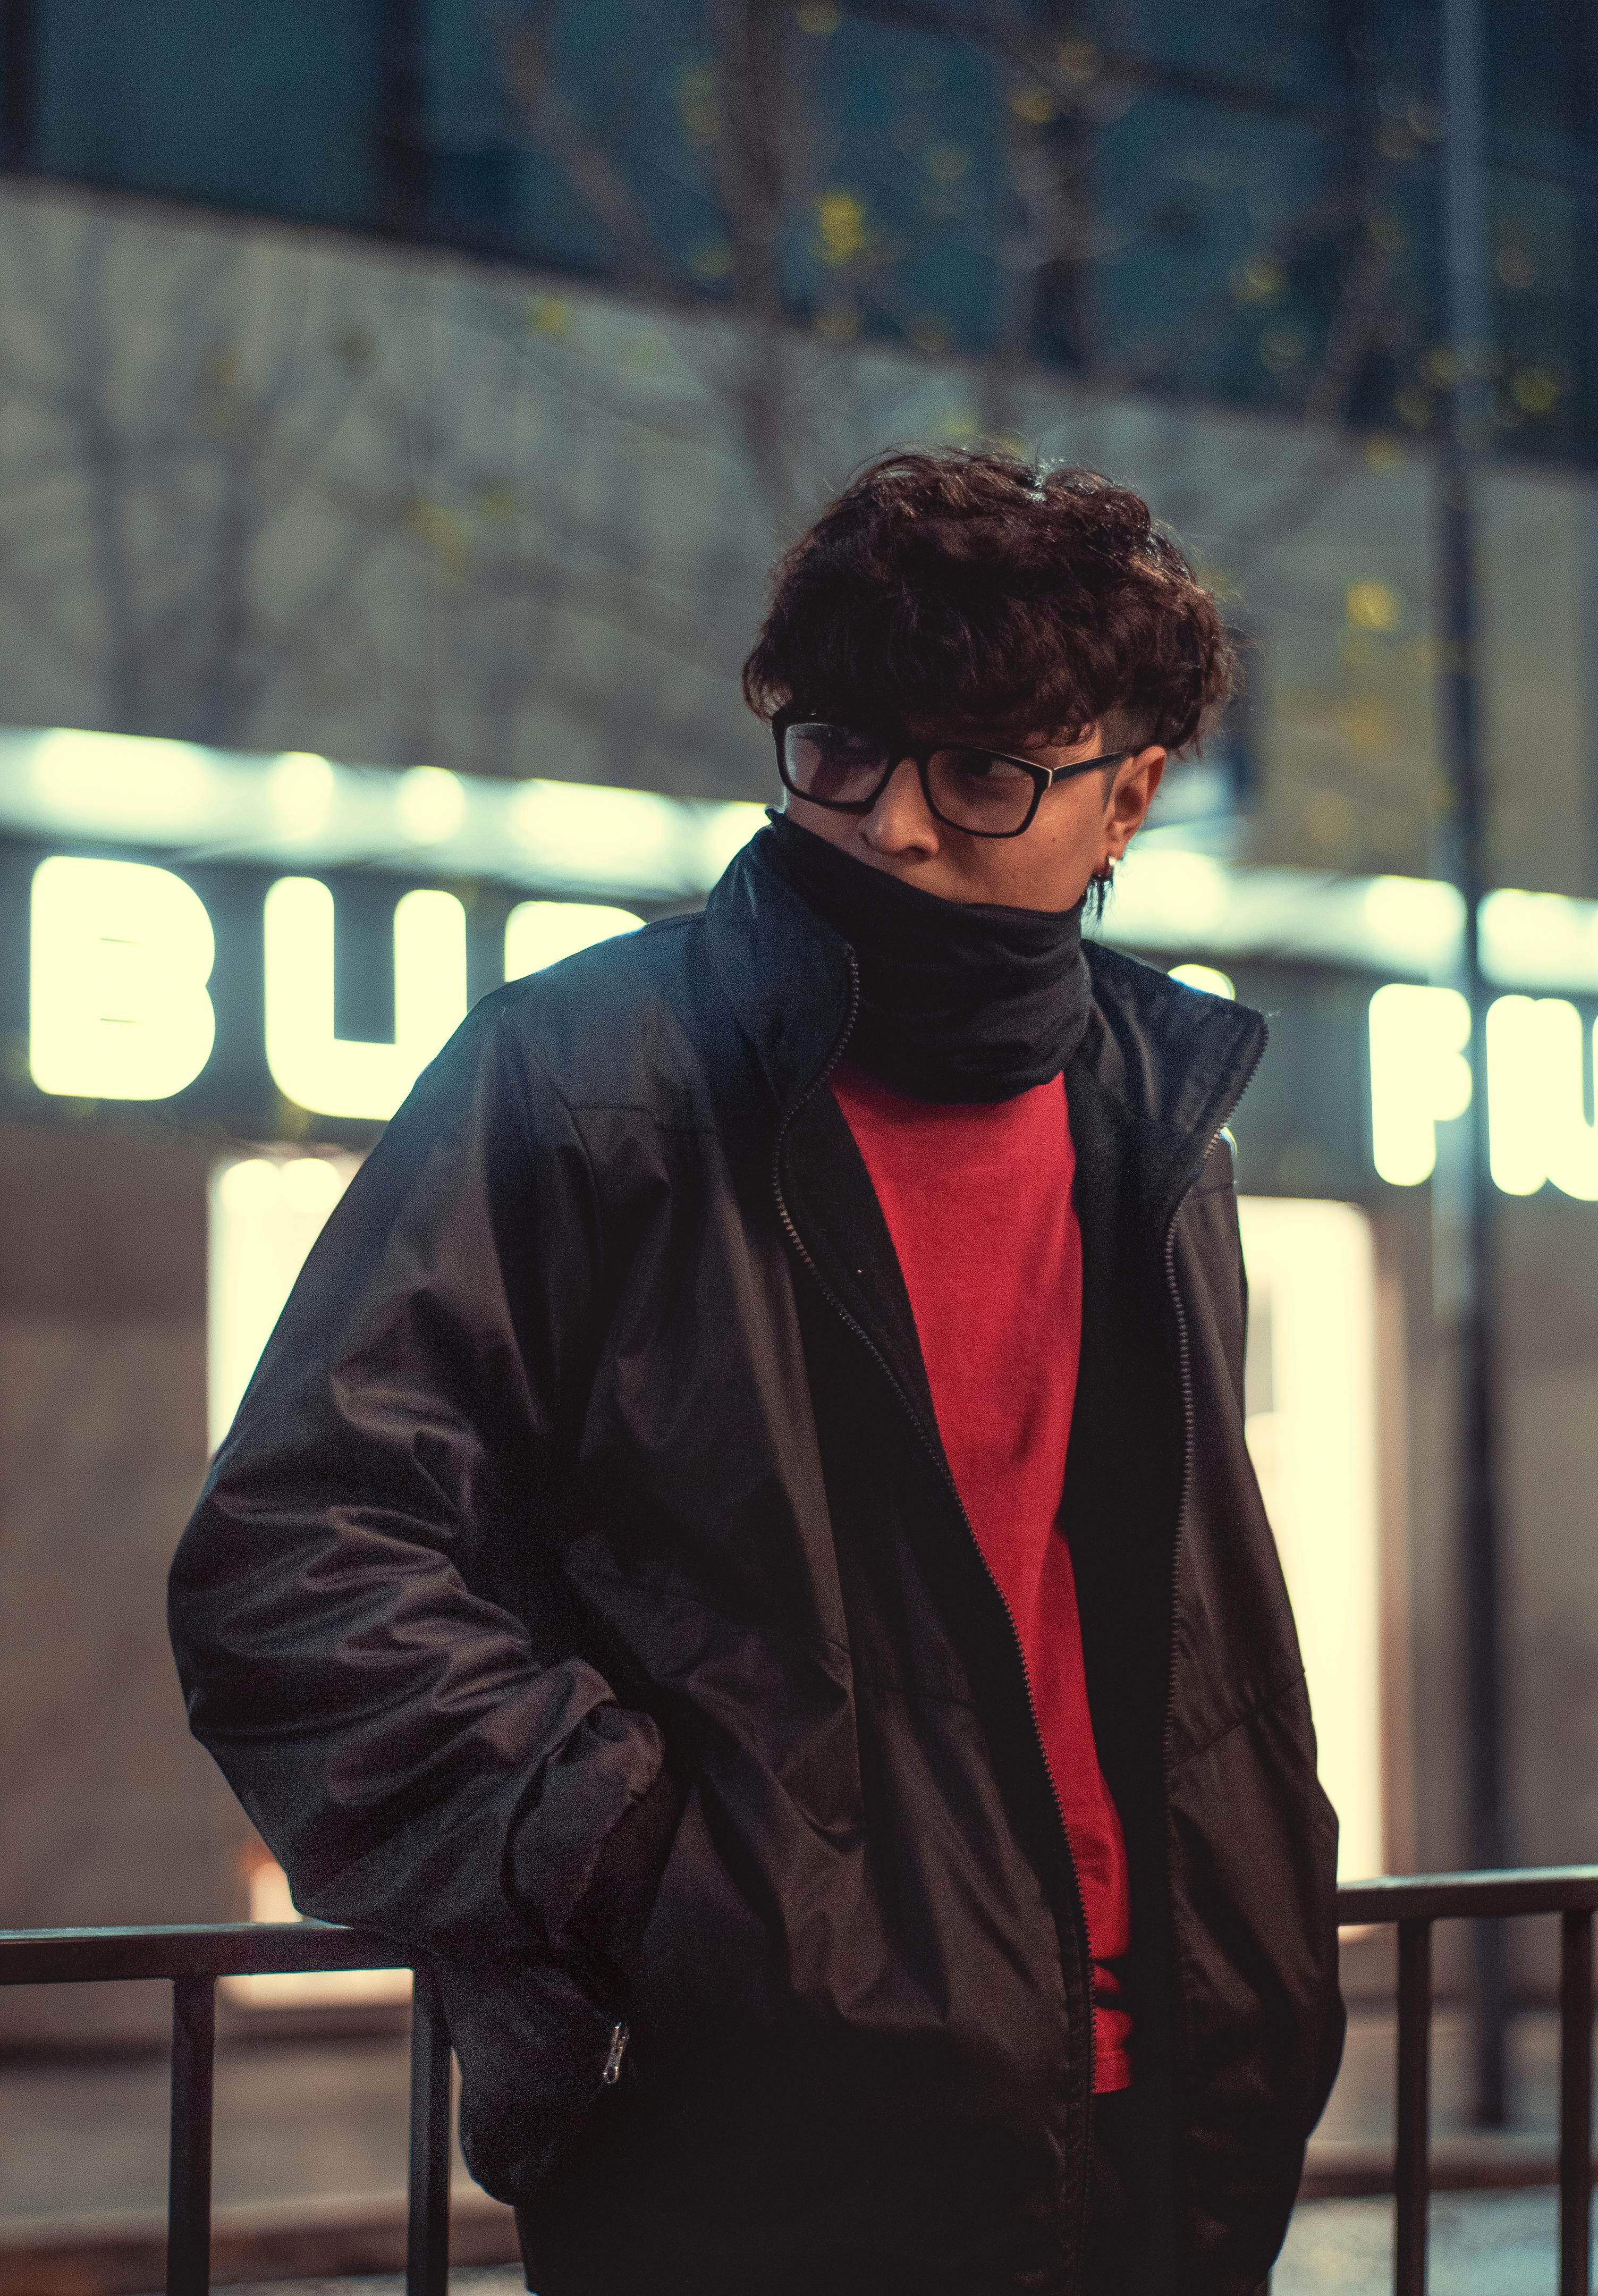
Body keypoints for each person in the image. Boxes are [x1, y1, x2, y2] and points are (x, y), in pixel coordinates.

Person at [169, 448, 1345, 2296]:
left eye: (979, 771)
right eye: (838, 750)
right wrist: (656, 1878)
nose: (890, 824)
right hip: (755, 2155)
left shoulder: (1157, 1127)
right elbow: (297, 1564)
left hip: (1171, 2116)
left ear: (1126, 797)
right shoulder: (583, 1078)